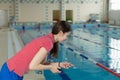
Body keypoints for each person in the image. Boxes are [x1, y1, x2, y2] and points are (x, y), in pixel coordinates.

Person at [0, 21, 73, 80]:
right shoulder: (48, 42)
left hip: (15, 72)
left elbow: (42, 63)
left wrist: (59, 64)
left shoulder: (48, 39)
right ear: (60, 33)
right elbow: (33, 66)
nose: (67, 38)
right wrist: (51, 67)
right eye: (67, 35)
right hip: (11, 72)